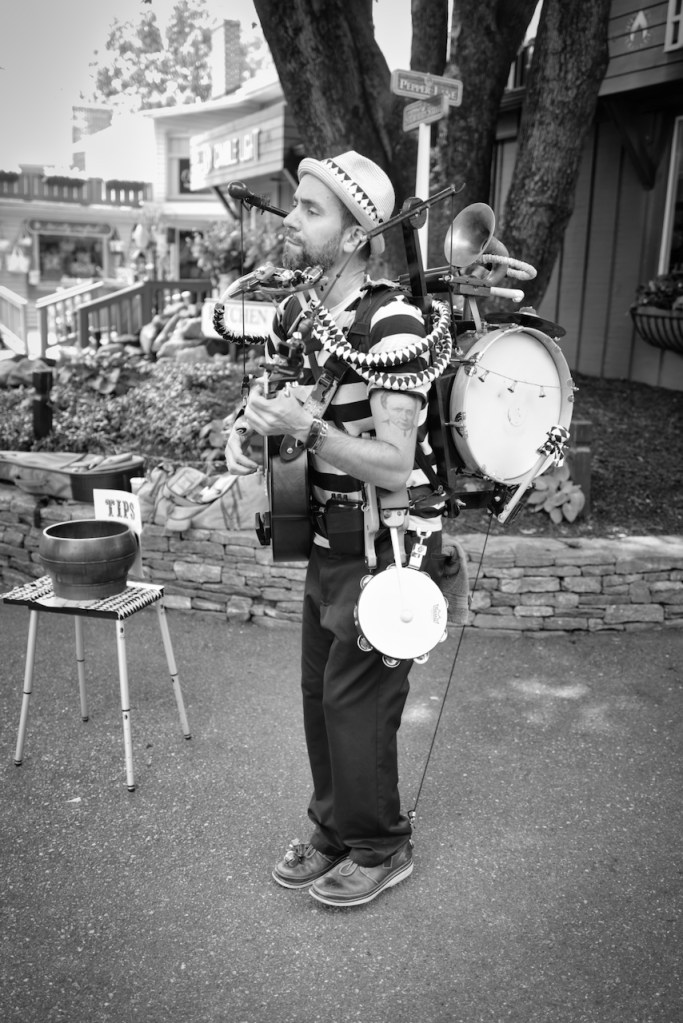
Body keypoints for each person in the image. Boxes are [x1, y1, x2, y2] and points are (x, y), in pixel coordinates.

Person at [225, 150, 444, 908]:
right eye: (296, 203)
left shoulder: (392, 323)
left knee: (358, 703)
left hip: (386, 546)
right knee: (320, 696)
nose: (291, 219)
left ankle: (381, 843)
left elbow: (395, 462)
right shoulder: (300, 312)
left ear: (355, 236)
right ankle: (334, 829)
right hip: (325, 539)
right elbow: (276, 401)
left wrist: (307, 430)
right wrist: (244, 430)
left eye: (310, 210)